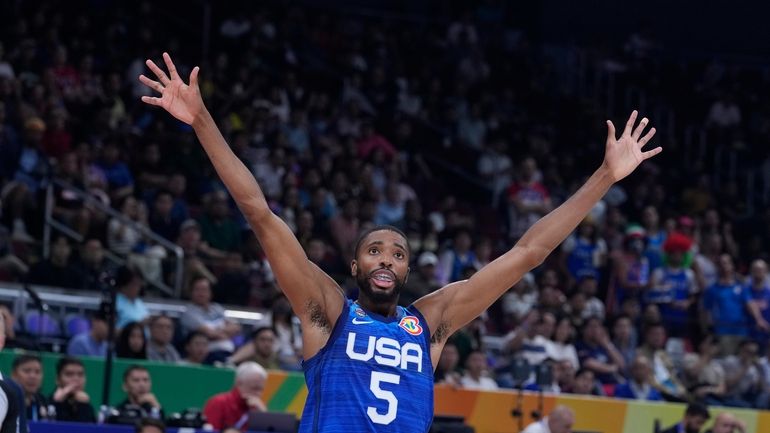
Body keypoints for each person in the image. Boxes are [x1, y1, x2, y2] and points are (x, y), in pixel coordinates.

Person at [139, 53, 659, 432]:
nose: (386, 259)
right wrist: (203, 120)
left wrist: (605, 178)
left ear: (407, 272)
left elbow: (528, 254)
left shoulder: (429, 323)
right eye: (375, 251)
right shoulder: (327, 313)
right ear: (355, 264)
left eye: (398, 254)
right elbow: (259, 212)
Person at [180, 276, 241, 363]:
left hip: (229, 352)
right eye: (197, 289)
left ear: (210, 293)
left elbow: (236, 327)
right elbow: (210, 334)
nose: (201, 293)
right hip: (206, 355)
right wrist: (226, 333)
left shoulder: (217, 308)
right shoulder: (189, 313)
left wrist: (219, 331)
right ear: (191, 292)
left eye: (204, 290)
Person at [202, 362, 267, 431]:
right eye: (254, 388)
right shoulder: (219, 402)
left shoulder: (258, 408)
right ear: (239, 383)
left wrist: (263, 415)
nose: (258, 394)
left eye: (261, 389)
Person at [50, 357, 96, 422]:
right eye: (69, 374)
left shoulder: (86, 404)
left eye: (80, 374)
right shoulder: (49, 403)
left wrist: (83, 406)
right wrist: (58, 403)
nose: (76, 379)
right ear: (58, 379)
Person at [10, 354, 50, 421]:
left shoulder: (43, 401)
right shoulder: (6, 400)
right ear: (14, 375)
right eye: (27, 371)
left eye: (37, 372)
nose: (33, 376)